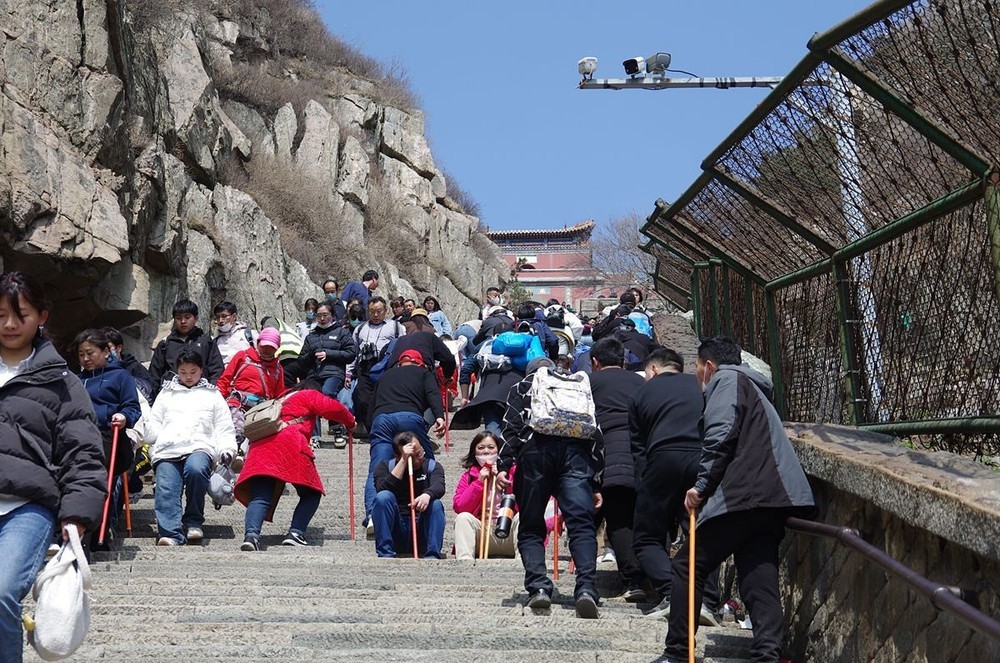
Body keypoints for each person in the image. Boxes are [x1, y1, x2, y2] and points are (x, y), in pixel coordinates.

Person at [660, 337, 815, 663]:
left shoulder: (727, 380)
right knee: (758, 576)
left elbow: (721, 433)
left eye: (699, 369)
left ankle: (677, 652)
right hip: (772, 498)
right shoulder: (754, 385)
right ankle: (767, 654)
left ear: (710, 366)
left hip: (743, 494)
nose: (699, 376)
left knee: (687, 565)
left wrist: (701, 487)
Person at [0, 271, 105, 661]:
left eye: (20, 314)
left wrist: (77, 513)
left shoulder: (63, 383)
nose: (10, 324)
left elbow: (83, 452)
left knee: (2, 592)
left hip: (27, 506)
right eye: (0, 315)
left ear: (41, 316)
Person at [496, 357, 604, 619]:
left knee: (532, 525)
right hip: (577, 454)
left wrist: (503, 464)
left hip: (536, 453)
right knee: (581, 525)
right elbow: (595, 431)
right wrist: (596, 480)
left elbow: (511, 427)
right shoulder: (576, 386)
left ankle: (539, 588)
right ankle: (586, 589)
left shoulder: (523, 386)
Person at [629, 348, 720, 621]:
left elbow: (638, 450)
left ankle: (672, 593)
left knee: (646, 536)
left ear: (654, 370)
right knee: (701, 532)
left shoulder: (641, 393)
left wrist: (644, 491)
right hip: (703, 459)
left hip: (662, 458)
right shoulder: (701, 385)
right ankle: (706, 601)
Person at [235, 379, 356, 551]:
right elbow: (332, 407)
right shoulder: (309, 395)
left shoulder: (281, 398)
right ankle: (296, 533)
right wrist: (350, 421)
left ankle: (251, 536)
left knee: (261, 495)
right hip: (289, 443)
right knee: (311, 493)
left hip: (261, 446)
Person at [145, 350, 237, 546]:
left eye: (193, 372)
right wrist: (143, 432)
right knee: (166, 486)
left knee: (196, 470)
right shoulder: (166, 393)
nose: (188, 377)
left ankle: (193, 521)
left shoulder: (212, 394)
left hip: (199, 445)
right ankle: (170, 532)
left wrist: (227, 449)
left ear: (201, 371)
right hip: (168, 448)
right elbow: (154, 423)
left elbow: (223, 425)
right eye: (183, 372)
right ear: (177, 371)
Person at [588, 337, 647, 602]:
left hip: (605, 457)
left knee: (618, 519)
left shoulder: (588, 383)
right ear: (623, 361)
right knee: (641, 517)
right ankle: (654, 576)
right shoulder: (640, 382)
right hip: (643, 457)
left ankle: (633, 579)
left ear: (595, 362)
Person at [364, 349, 446, 531]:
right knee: (425, 462)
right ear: (420, 363)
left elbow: (372, 403)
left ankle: (372, 515)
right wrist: (439, 416)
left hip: (382, 419)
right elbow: (433, 393)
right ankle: (427, 506)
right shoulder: (423, 372)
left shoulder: (385, 375)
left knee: (377, 468)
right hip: (409, 418)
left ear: (399, 363)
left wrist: (372, 429)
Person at [75, 328, 142, 546]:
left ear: (106, 352)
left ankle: (96, 531)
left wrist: (123, 417)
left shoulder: (121, 376)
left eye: (90, 353)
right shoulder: (76, 380)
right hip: (77, 435)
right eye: (81, 354)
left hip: (107, 435)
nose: (86, 359)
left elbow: (132, 407)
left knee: (95, 478)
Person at [371, 432, 446, 559]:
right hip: (397, 529)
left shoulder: (432, 466)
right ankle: (386, 553)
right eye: (412, 457)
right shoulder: (384, 467)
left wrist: (427, 495)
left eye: (419, 453)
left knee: (436, 504)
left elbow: (439, 486)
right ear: (397, 455)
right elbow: (382, 490)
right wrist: (404, 461)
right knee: (384, 497)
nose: (417, 460)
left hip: (421, 527)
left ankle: (432, 554)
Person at [216, 327, 285, 461]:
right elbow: (225, 380)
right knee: (238, 426)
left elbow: (279, 396)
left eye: (272, 347)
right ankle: (232, 452)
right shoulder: (243, 357)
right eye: (265, 346)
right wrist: (217, 400)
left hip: (262, 410)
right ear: (258, 342)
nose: (267, 350)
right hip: (238, 402)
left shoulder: (277, 368)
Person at [452, 432, 518, 560]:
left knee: (522, 517)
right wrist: (479, 482)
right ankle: (465, 564)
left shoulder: (512, 472)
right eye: (481, 448)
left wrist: (504, 479)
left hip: (508, 532)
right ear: (474, 452)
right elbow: (460, 507)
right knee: (463, 518)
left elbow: (525, 503)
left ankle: (524, 563)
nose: (486, 451)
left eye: (491, 447)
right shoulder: (469, 477)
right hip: (482, 535)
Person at [450, 320, 522, 437]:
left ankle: (496, 453)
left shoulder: (485, 345)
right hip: (516, 394)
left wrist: (464, 397)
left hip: (489, 396)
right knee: (514, 433)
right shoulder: (521, 345)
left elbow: (466, 369)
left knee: (493, 432)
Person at [297, 301, 357, 439]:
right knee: (310, 398)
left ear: (332, 315)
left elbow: (350, 354)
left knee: (328, 393)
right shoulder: (311, 336)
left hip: (334, 373)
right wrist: (311, 355)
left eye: (325, 315)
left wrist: (329, 354)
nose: (322, 319)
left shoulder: (342, 332)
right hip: (314, 374)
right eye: (319, 316)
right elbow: (301, 361)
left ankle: (336, 428)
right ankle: (314, 435)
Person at [346, 296, 405, 430]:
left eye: (379, 311)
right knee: (364, 399)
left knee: (385, 398)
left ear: (385, 310)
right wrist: (348, 372)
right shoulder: (360, 329)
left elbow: (402, 346)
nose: (376, 314)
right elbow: (354, 352)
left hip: (386, 366)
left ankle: (386, 427)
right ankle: (373, 429)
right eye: (372, 311)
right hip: (365, 366)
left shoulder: (395, 327)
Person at [149, 298, 225, 396]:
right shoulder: (165, 344)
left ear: (196, 318)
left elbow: (217, 370)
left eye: (187, 317)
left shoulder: (206, 342)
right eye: (179, 318)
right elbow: (154, 374)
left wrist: (210, 391)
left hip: (202, 393)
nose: (183, 321)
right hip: (172, 394)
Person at [384, 309, 457, 383]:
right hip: (422, 368)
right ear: (426, 319)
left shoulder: (404, 326)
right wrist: (447, 376)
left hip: (396, 370)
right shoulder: (431, 331)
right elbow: (448, 358)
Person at [103, 327, 153, 401]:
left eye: (109, 348)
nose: (105, 353)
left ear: (119, 348)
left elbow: (149, 393)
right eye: (101, 349)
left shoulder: (134, 368)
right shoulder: (97, 371)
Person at [213, 301, 256, 366]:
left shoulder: (250, 335)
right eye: (217, 317)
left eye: (224, 316)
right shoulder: (215, 342)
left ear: (234, 316)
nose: (220, 320)